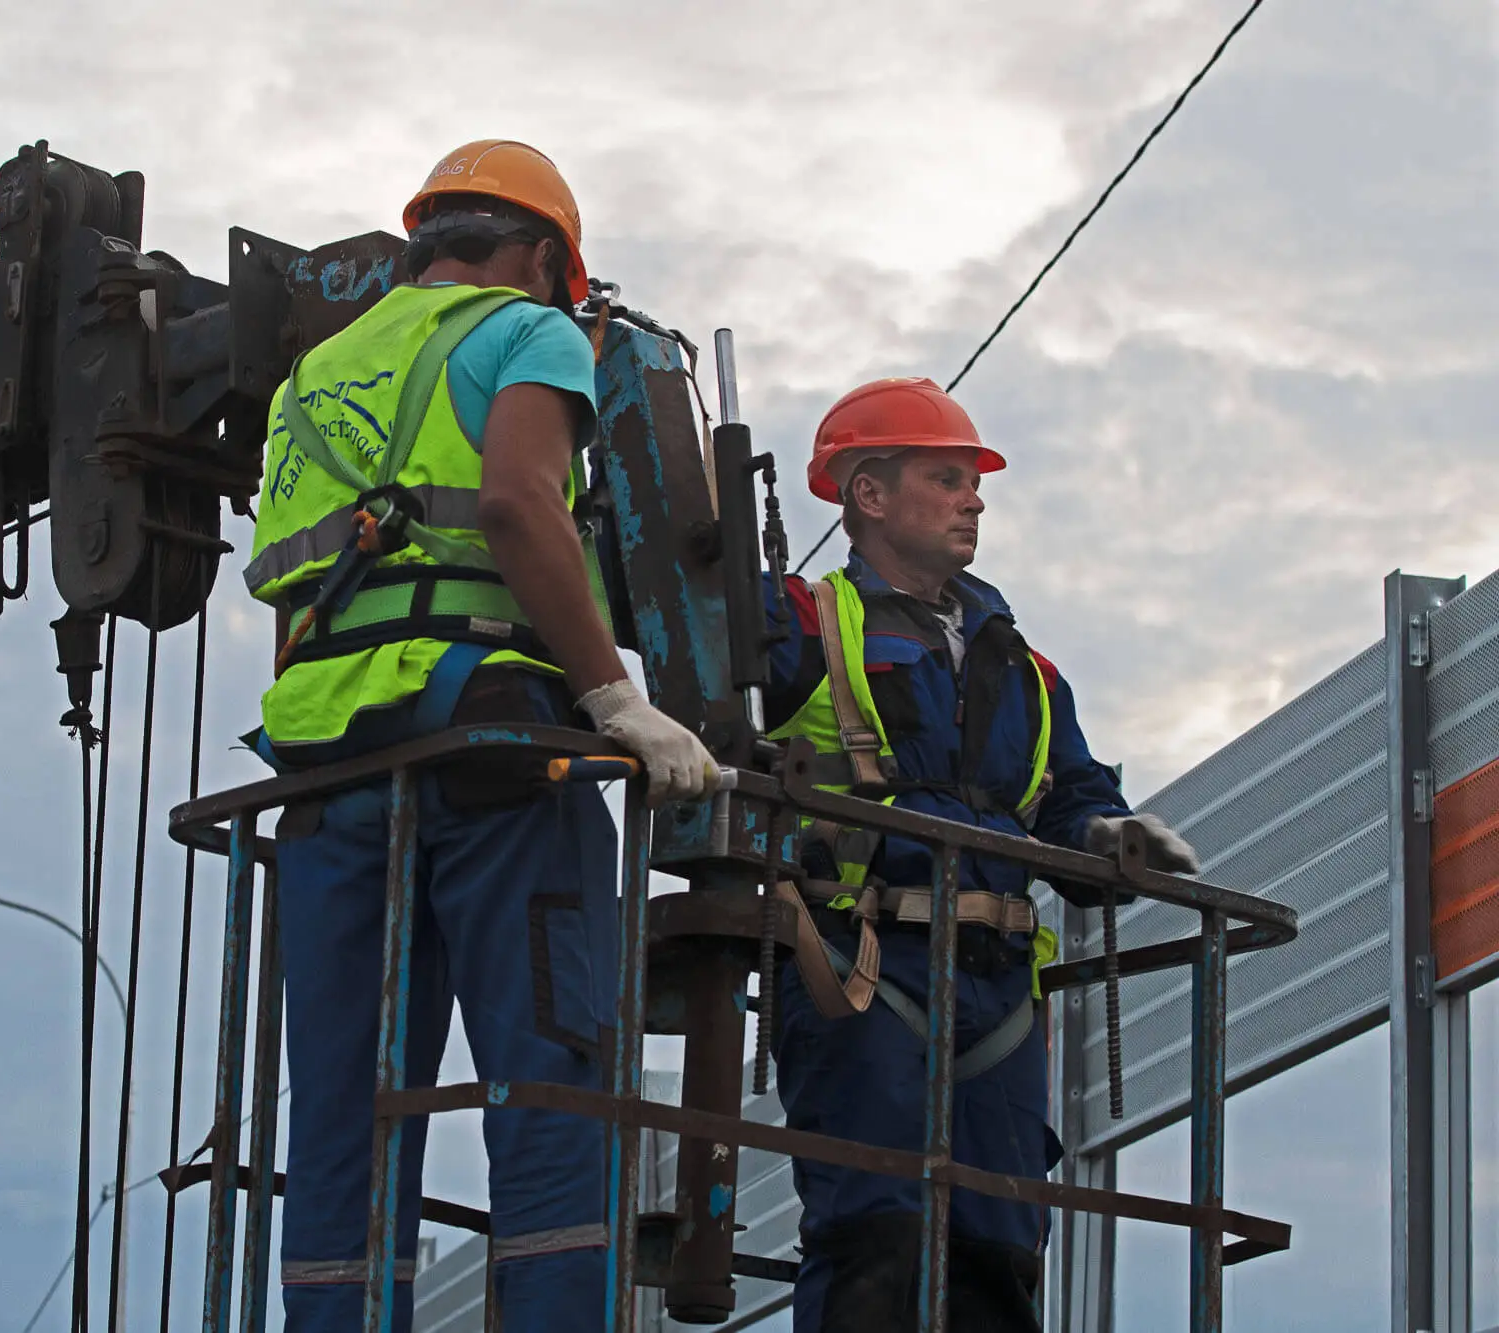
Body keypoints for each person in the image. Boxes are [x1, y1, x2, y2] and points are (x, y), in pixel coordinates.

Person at [243, 139, 718, 1332]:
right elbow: (516, 504)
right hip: (488, 744)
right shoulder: (524, 330)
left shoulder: (310, 378)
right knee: (552, 1079)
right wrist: (614, 698)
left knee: (344, 1106)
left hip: (328, 758)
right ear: (546, 256)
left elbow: (299, 589)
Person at [765, 376, 1200, 1332]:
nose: (975, 499)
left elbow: (1074, 797)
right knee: (874, 1242)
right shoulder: (801, 624)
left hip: (1000, 987)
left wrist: (1108, 836)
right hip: (860, 968)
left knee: (999, 1254)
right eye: (947, 477)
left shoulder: (1027, 669)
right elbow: (694, 657)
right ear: (867, 495)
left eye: (974, 481)